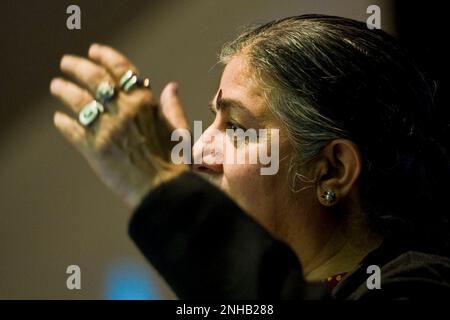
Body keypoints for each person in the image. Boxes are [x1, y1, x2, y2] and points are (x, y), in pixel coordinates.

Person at [50, 15, 450, 299]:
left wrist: (159, 184)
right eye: (212, 121)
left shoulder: (420, 284)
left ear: (333, 170)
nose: (196, 153)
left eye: (238, 128)